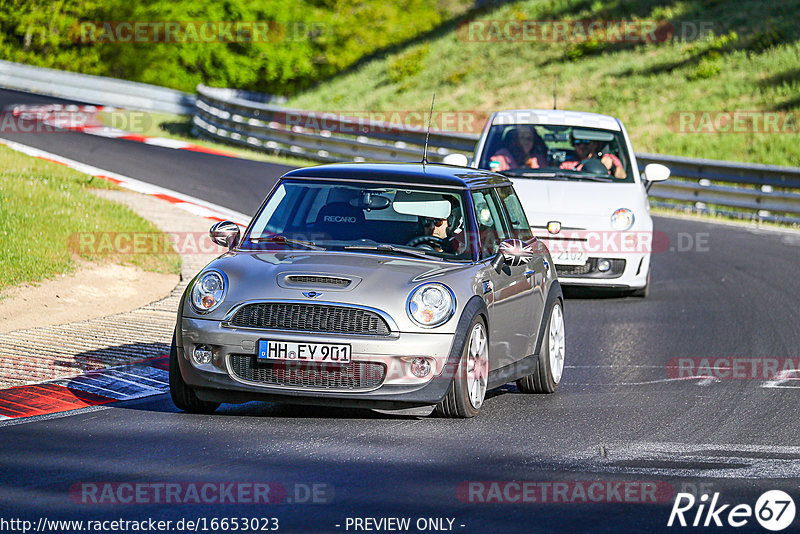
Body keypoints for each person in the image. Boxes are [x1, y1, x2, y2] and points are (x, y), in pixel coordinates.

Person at [560, 138, 627, 179]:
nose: (582, 146)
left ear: (594, 144)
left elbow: (622, 177)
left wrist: (612, 167)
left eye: (586, 142)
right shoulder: (567, 164)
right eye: (577, 142)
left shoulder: (608, 158)